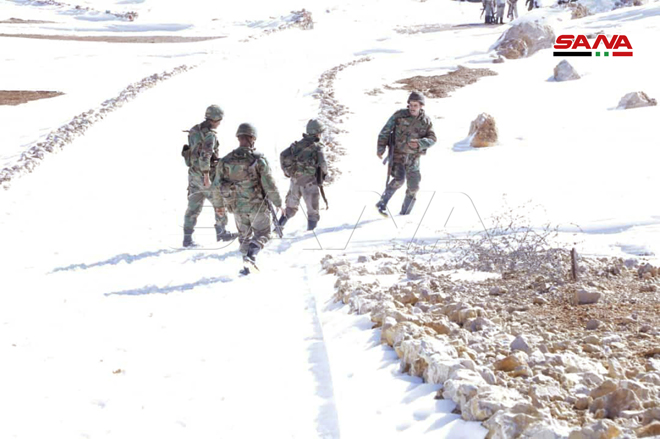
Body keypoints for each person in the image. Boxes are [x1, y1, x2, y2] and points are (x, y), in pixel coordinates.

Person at [211, 123, 283, 274]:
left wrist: (218, 206)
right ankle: (252, 254)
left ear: (239, 138)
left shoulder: (225, 161)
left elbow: (216, 185)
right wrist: (278, 202)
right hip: (258, 206)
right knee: (263, 234)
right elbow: (269, 184)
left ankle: (246, 266)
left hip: (236, 207)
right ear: (253, 139)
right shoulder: (258, 159)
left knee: (244, 236)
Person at [182, 105, 237, 247]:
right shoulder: (210, 135)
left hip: (193, 174)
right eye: (219, 120)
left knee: (193, 206)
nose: (220, 123)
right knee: (219, 203)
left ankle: (187, 238)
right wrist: (206, 175)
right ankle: (221, 232)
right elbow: (205, 155)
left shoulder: (194, 130)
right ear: (216, 119)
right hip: (205, 175)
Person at [376, 91, 436, 216]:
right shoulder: (399, 116)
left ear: (421, 106)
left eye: (416, 105)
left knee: (414, 187)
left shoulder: (425, 121)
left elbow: (432, 138)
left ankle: (404, 214)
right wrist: (381, 148)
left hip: (414, 158)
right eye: (411, 105)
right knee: (399, 180)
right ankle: (382, 202)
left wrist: (421, 143)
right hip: (398, 155)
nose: (413, 108)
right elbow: (385, 131)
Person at [278, 119, 328, 232]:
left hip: (295, 182)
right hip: (310, 183)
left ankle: (278, 227)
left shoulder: (296, 145)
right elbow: (323, 165)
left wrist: (286, 172)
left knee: (290, 208)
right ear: (317, 132)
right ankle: (310, 235)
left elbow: (282, 155)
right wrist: (324, 175)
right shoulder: (317, 147)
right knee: (313, 212)